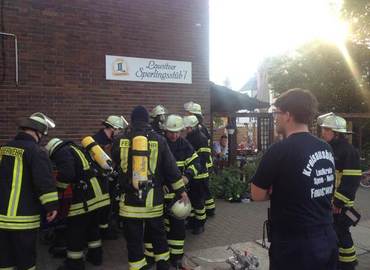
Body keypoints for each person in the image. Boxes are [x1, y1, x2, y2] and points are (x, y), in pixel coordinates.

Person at [251, 89, 338, 270]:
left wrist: (277, 190)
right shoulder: (326, 148)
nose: (275, 118)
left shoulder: (279, 150)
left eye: (277, 113)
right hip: (327, 237)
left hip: (294, 246)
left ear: (288, 115)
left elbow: (256, 194)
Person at [112, 106, 189, 270]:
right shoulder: (159, 140)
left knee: (134, 242)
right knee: (159, 237)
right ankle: (163, 266)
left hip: (129, 204)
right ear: (147, 120)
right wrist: (181, 191)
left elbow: (114, 164)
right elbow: (171, 169)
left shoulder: (120, 139)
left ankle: (138, 267)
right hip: (153, 201)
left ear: (132, 120)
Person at [0, 112, 59, 270]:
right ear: (38, 132)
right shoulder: (36, 151)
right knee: (26, 261)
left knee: (5, 260)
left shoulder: (3, 149)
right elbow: (44, 182)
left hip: (1, 218)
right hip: (23, 221)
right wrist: (51, 206)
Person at [45, 137, 111, 270]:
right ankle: (95, 256)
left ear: (52, 151)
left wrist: (58, 188)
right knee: (92, 227)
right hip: (99, 194)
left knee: (75, 231)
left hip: (85, 198)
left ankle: (74, 264)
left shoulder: (61, 152)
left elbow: (68, 174)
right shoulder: (76, 148)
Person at [145, 114, 200, 268]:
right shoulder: (159, 143)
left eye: (177, 132)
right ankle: (151, 255)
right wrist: (159, 183)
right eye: (171, 132)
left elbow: (196, 162)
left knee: (177, 226)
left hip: (177, 193)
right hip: (159, 193)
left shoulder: (185, 145)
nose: (174, 135)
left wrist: (188, 176)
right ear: (165, 131)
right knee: (153, 226)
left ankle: (176, 256)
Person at [318, 112, 361, 270]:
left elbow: (351, 180)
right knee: (335, 233)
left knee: (342, 233)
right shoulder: (330, 148)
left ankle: (348, 264)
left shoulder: (348, 151)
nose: (323, 133)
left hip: (341, 203)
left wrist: (338, 201)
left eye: (326, 130)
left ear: (335, 133)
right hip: (332, 201)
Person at [93, 115, 128, 239]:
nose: (119, 133)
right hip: (100, 181)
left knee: (111, 205)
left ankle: (108, 229)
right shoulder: (97, 142)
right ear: (113, 128)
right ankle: (103, 231)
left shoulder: (110, 141)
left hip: (111, 180)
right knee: (103, 207)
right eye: (118, 130)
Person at [184, 102, 215, 216]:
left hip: (201, 166)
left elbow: (202, 152)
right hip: (203, 164)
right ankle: (210, 209)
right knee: (205, 192)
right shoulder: (202, 128)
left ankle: (206, 214)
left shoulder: (199, 131)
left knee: (201, 193)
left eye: (189, 113)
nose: (187, 115)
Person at [183, 115, 210, 234]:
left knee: (198, 202)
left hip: (200, 176)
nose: (186, 130)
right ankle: (192, 221)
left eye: (188, 128)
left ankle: (200, 224)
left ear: (194, 127)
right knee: (192, 200)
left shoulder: (201, 138)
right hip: (192, 176)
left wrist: (196, 168)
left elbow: (204, 157)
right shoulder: (190, 138)